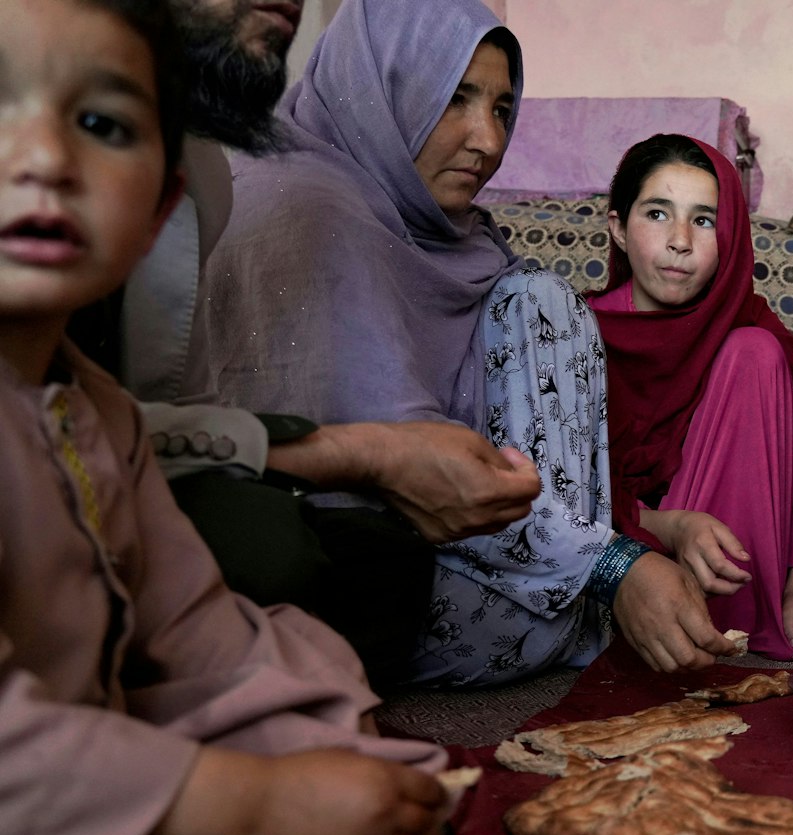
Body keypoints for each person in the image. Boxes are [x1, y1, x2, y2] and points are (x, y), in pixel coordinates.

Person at [0, 0, 484, 835]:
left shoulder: (97, 411)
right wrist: (249, 796)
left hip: (99, 767)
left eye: (104, 127)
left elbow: (198, 633)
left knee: (307, 654)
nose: (39, 157)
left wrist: (319, 753)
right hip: (26, 797)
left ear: (163, 200)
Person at [192, 0, 644, 687]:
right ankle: (578, 598)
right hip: (323, 575)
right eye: (454, 98)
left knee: (538, 296)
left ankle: (577, 591)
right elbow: (396, 465)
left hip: (460, 557)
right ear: (377, 91)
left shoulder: (455, 239)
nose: (487, 140)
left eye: (500, 108)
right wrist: (611, 568)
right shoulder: (308, 207)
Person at [587, 134, 793, 667]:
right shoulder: (572, 331)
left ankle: (741, 624)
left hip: (734, 578)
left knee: (754, 352)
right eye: (657, 214)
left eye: (703, 221)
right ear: (617, 227)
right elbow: (562, 496)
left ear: (728, 238)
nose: (680, 240)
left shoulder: (749, 324)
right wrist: (669, 526)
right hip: (614, 567)